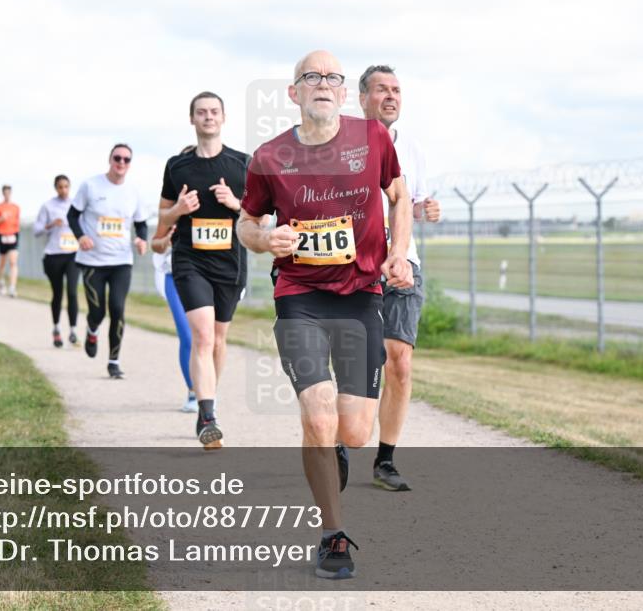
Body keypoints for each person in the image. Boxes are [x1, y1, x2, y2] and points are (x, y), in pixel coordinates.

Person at [237, 50, 413, 580]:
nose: (322, 84)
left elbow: (399, 194)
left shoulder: (373, 139)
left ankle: (336, 443)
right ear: (293, 93)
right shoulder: (270, 156)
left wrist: (398, 252)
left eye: (332, 78)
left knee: (354, 432)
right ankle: (332, 534)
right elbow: (245, 223)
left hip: (361, 295)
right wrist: (265, 238)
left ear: (342, 93)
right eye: (310, 77)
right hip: (300, 296)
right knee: (316, 412)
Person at [358, 65, 441, 492]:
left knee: (400, 361)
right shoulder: (343, 145)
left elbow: (415, 204)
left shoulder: (412, 149)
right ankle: (342, 437)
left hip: (403, 263)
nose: (391, 96)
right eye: (381, 90)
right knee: (361, 361)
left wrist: (429, 210)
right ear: (362, 98)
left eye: (396, 90)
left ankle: (385, 460)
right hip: (353, 266)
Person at [157, 93, 249, 449]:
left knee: (219, 340)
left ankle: (205, 401)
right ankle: (208, 414)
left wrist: (236, 204)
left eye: (213, 112)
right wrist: (179, 209)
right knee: (203, 337)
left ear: (223, 118)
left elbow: (262, 218)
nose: (208, 117)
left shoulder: (243, 164)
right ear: (192, 119)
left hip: (230, 263)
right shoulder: (176, 166)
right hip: (190, 261)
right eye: (201, 112)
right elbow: (161, 221)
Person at [68, 144, 150, 379]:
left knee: (117, 309)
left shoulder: (133, 192)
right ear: (110, 160)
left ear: (130, 164)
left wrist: (142, 240)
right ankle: (92, 329)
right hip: (93, 260)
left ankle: (114, 361)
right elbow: (72, 215)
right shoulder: (91, 186)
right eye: (117, 158)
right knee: (98, 311)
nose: (121, 163)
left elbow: (141, 223)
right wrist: (81, 236)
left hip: (121, 261)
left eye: (126, 159)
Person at [152, 219, 196, 414]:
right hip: (174, 276)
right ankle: (194, 391)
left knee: (208, 339)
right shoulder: (172, 208)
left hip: (208, 275)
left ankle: (208, 389)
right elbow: (157, 245)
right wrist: (168, 238)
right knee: (187, 336)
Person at [35, 175, 80, 348]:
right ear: (56, 188)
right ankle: (56, 328)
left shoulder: (76, 205)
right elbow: (37, 231)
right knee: (58, 293)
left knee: (72, 292)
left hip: (73, 254)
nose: (63, 190)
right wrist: (51, 224)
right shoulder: (48, 206)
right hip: (54, 255)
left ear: (70, 187)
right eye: (60, 187)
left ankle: (73, 331)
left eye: (66, 186)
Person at [0, 185, 21, 297]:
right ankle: (1, 282)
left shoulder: (16, 207)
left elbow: (17, 222)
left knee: (13, 262)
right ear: (3, 194)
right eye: (5, 193)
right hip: (2, 235)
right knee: (3, 262)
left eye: (9, 192)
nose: (7, 194)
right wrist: (0, 219)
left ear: (11, 193)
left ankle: (12, 287)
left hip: (13, 235)